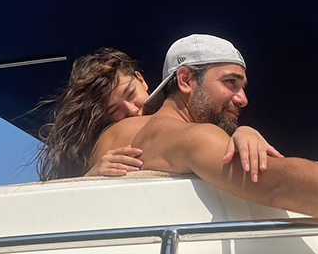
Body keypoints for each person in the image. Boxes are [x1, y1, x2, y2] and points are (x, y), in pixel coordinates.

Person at [97, 34, 318, 221]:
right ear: (186, 80)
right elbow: (280, 185)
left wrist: (239, 132)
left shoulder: (112, 136)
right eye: (230, 83)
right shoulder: (193, 138)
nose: (243, 99)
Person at [37, 47, 282, 181]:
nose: (132, 110)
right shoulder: (112, 148)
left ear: (141, 79)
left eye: (130, 93)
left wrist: (244, 132)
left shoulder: (190, 115)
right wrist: (89, 177)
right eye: (115, 111)